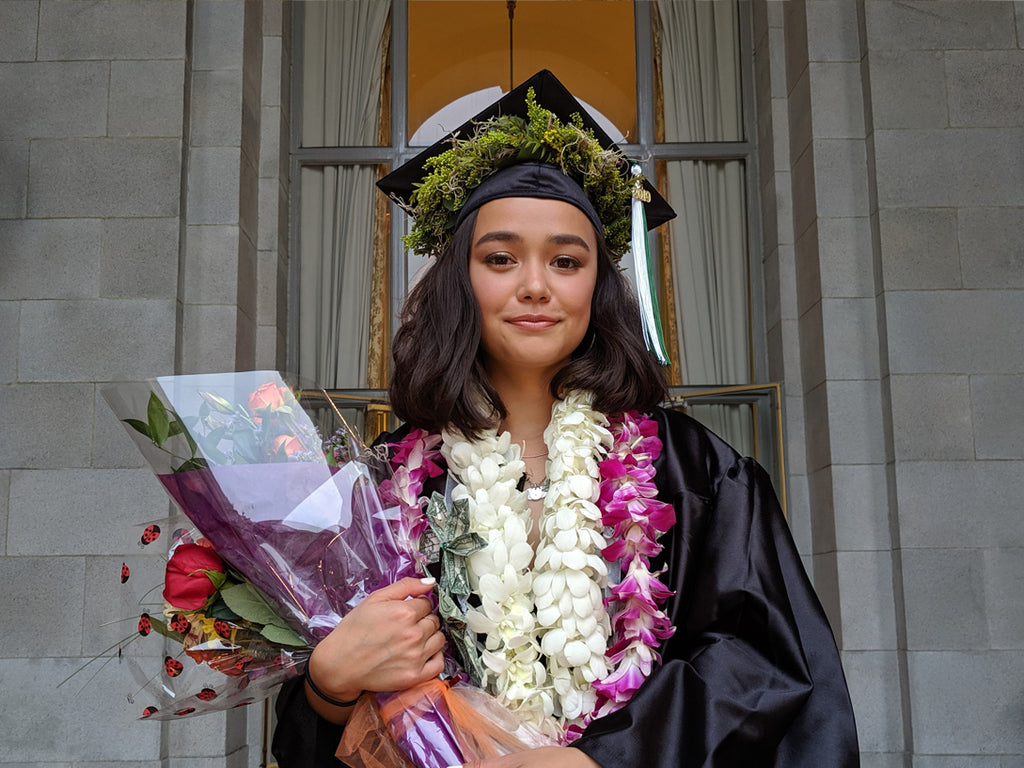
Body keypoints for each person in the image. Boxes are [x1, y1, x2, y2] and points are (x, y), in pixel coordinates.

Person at [273, 70, 859, 767]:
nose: (535, 286)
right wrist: (329, 686)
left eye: (565, 260)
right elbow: (320, 733)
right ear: (461, 281)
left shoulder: (695, 472)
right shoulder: (385, 488)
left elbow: (765, 664)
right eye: (500, 258)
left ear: (596, 284)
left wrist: (600, 759)